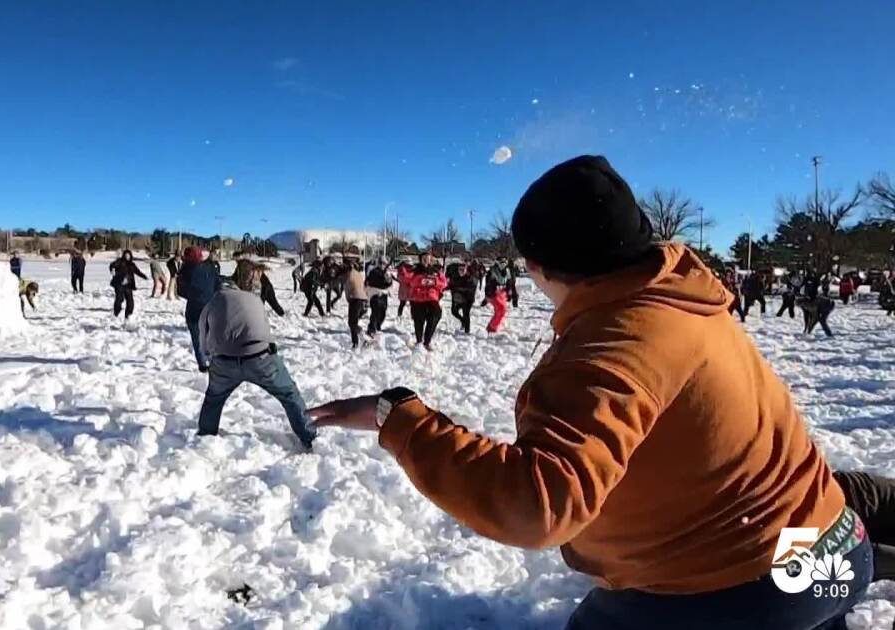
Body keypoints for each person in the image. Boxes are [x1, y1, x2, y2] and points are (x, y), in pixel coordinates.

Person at [309, 155, 871, 630]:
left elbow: (540, 503)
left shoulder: (617, 341)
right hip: (833, 550)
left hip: (752, 588)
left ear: (539, 265)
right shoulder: (682, 295)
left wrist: (399, 419)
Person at [197, 260, 316, 450]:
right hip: (260, 358)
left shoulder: (212, 302)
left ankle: (205, 437)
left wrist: (207, 356)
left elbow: (202, 333)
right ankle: (308, 435)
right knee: (288, 394)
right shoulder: (253, 300)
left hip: (223, 362)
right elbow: (264, 330)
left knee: (214, 399)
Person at [177, 246, 221, 372]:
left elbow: (180, 291)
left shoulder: (185, 270)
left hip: (193, 309)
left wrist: (193, 295)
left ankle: (202, 364)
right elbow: (218, 285)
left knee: (197, 338)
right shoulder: (211, 267)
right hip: (210, 308)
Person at [398, 253, 448, 350]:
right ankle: (419, 341)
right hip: (417, 298)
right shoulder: (415, 270)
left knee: (436, 314)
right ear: (420, 260)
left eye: (428, 259)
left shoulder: (436, 271)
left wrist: (434, 282)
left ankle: (427, 341)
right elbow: (407, 279)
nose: (426, 261)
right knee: (418, 320)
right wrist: (420, 280)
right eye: (424, 259)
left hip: (431, 298)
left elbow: (444, 283)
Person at [109, 250, 147, 320]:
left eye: (128, 255)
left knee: (130, 301)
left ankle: (128, 315)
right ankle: (116, 313)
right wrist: (112, 270)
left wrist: (144, 276)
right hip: (119, 284)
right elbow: (112, 265)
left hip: (128, 285)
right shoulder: (119, 261)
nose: (127, 257)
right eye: (126, 255)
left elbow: (137, 272)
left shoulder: (132, 264)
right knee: (119, 299)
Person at [447, 261, 478, 334]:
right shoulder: (455, 276)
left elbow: (471, 288)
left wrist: (458, 288)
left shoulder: (471, 278)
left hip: (468, 299)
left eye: (463, 269)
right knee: (454, 311)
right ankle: (463, 321)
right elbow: (450, 285)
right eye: (459, 269)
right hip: (457, 298)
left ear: (466, 270)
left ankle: (467, 331)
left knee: (466, 313)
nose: (461, 271)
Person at [365, 259, 394, 337]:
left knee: (383, 312)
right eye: (381, 263)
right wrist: (383, 277)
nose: (382, 265)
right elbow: (373, 281)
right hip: (375, 294)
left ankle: (378, 325)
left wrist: (388, 279)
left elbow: (389, 284)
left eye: (384, 264)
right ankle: (371, 329)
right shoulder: (374, 271)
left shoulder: (387, 272)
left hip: (384, 294)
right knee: (375, 312)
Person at [344, 257, 368, 348]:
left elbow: (347, 289)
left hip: (355, 299)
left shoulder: (349, 275)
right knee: (354, 322)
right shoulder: (358, 274)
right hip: (363, 299)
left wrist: (348, 299)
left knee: (352, 323)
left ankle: (361, 339)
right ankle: (356, 342)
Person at [484, 258, 512, 333]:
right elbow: (487, 284)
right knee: (502, 309)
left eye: (505, 262)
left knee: (499, 311)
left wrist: (509, 292)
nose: (503, 264)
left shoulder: (507, 271)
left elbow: (509, 282)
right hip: (494, 293)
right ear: (497, 263)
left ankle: (490, 326)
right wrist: (487, 295)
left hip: (503, 293)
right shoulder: (492, 271)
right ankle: (493, 327)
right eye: (501, 262)